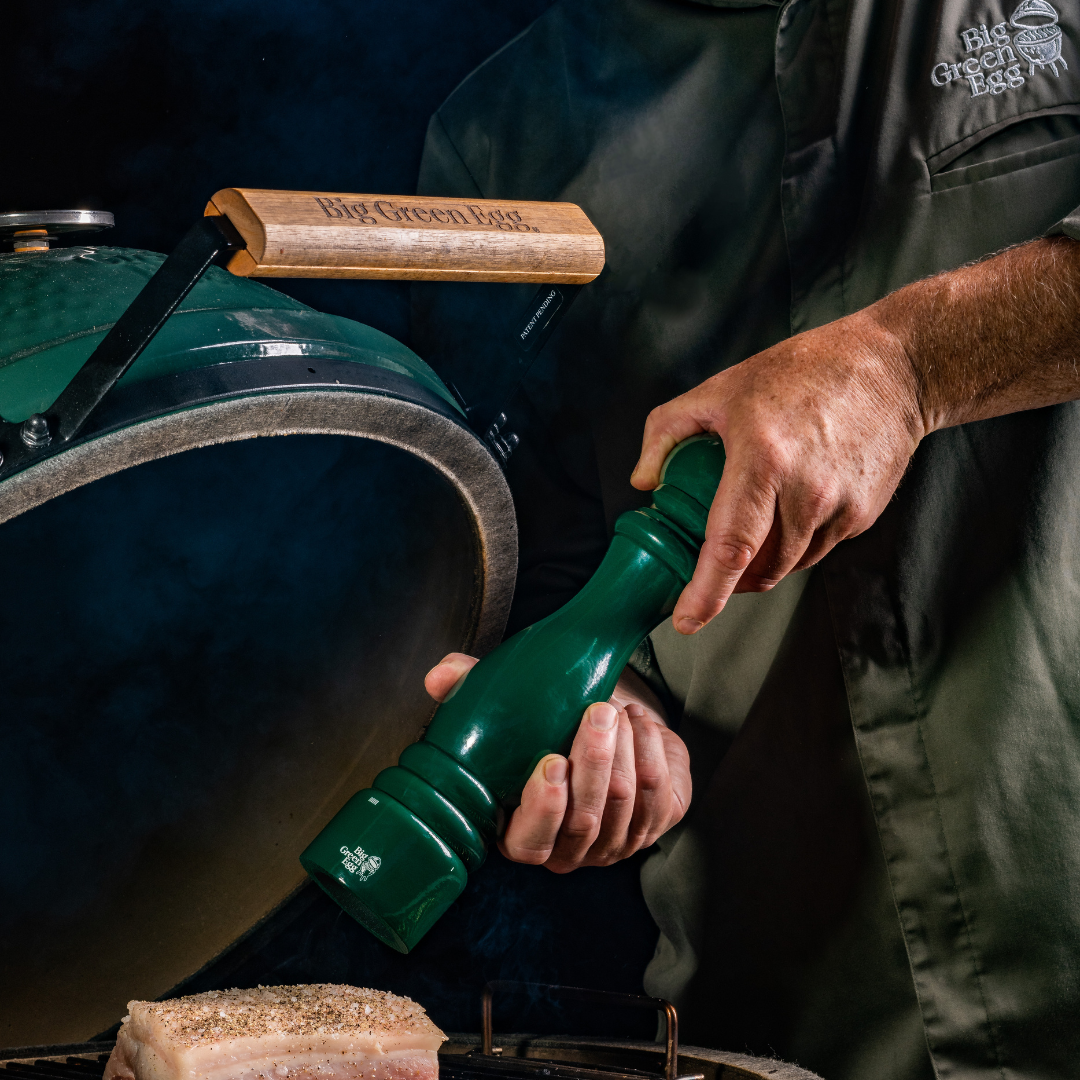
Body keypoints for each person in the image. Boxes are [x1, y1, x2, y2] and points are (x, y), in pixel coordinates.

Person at [411, 0, 1080, 1076]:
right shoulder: (498, 139)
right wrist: (611, 719)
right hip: (771, 1013)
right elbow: (556, 561)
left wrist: (909, 364)